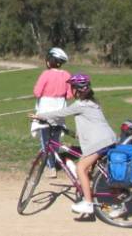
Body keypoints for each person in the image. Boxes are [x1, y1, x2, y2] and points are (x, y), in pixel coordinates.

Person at [29, 73, 117, 216]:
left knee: (80, 168)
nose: (71, 91)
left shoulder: (80, 104)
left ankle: (88, 204)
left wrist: (40, 116)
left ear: (78, 90)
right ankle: (111, 204)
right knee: (89, 174)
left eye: (72, 88)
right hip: (108, 140)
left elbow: (62, 112)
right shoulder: (93, 102)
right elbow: (91, 123)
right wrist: (69, 131)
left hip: (100, 143)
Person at [32, 47, 73, 178]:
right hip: (60, 111)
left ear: (49, 62)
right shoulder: (67, 75)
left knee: (45, 139)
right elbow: (70, 94)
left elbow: (37, 92)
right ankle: (52, 162)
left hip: (45, 111)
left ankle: (49, 166)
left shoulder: (45, 74)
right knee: (55, 139)